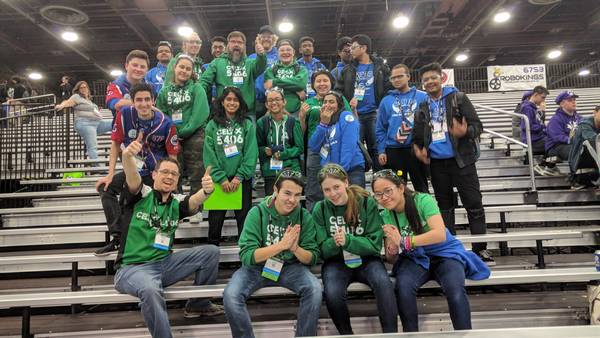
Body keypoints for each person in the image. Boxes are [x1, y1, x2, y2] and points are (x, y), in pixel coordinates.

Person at [114, 139, 223, 338]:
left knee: (211, 252)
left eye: (174, 174)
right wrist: (127, 156)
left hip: (163, 265)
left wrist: (206, 191)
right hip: (132, 269)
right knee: (150, 289)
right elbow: (132, 175)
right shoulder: (140, 194)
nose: (169, 176)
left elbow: (193, 202)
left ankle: (198, 304)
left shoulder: (176, 202)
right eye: (164, 172)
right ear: (154, 174)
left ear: (178, 180)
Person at [372, 169, 490, 332]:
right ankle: (410, 334)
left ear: (400, 188)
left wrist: (405, 241)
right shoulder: (385, 214)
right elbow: (392, 258)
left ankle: (464, 333)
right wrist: (391, 250)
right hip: (415, 258)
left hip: (445, 255)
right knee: (403, 288)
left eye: (388, 191)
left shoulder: (423, 200)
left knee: (454, 290)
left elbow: (439, 234)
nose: (384, 197)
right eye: (378, 194)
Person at [223, 169, 321, 338]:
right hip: (256, 268)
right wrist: (281, 245)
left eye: (297, 195)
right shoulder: (257, 213)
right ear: (275, 190)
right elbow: (247, 256)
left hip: (290, 267)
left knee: (315, 289)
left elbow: (312, 258)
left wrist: (295, 249)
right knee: (230, 295)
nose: (292, 200)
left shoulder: (304, 217)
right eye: (287, 193)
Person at [412, 62, 493, 264]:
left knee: (473, 205)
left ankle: (480, 249)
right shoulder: (422, 107)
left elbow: (478, 126)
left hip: (462, 162)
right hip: (438, 165)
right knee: (444, 208)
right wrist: (418, 149)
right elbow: (417, 136)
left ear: (442, 78)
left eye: (433, 78)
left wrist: (465, 132)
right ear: (422, 84)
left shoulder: (459, 98)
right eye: (426, 80)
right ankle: (448, 247)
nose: (430, 82)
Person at [95, 83, 180, 256]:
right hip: (133, 171)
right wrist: (110, 174)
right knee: (106, 188)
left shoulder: (166, 122)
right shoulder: (124, 115)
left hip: (154, 174)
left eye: (147, 99)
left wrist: (171, 181)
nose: (143, 104)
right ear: (132, 102)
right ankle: (118, 237)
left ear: (153, 100)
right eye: (139, 100)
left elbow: (172, 156)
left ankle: (161, 247)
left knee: (151, 204)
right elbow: (115, 144)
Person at [313, 164, 398, 334]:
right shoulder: (320, 209)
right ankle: (346, 335)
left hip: (367, 260)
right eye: (327, 190)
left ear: (346, 182)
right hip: (336, 262)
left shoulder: (366, 202)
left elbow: (374, 245)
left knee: (384, 284)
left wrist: (348, 241)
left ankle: (390, 334)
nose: (333, 193)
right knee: (332, 293)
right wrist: (335, 243)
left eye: (336, 187)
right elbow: (321, 250)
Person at [155, 54, 210, 223]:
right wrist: (172, 133)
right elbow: (161, 114)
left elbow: (200, 113)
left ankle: (195, 209)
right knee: (173, 173)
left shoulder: (197, 88)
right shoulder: (164, 91)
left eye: (188, 68)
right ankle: (175, 208)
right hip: (172, 137)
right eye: (182, 67)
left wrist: (184, 131)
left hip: (194, 135)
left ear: (192, 71)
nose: (184, 71)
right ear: (174, 68)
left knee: (196, 173)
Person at [203, 87, 258, 246]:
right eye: (228, 99)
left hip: (241, 181)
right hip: (219, 182)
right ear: (222, 102)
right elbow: (209, 154)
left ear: (240, 103)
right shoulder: (212, 125)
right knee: (215, 224)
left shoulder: (247, 124)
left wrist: (239, 177)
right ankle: (212, 258)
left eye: (235, 100)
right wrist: (220, 178)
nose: (232, 103)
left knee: (244, 223)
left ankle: (244, 261)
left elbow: (251, 152)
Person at [336, 34, 390, 172]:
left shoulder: (380, 67)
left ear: (364, 48)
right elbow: (338, 92)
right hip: (355, 115)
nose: (350, 51)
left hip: (375, 113)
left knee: (377, 148)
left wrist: (382, 107)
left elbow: (388, 88)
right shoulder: (347, 69)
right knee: (355, 147)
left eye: (353, 47)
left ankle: (381, 179)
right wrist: (347, 106)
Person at [299, 70, 351, 211]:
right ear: (313, 85)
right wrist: (302, 117)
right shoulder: (308, 103)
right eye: (318, 81)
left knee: (336, 184)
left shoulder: (340, 99)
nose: (322, 84)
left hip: (335, 147)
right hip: (315, 149)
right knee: (314, 187)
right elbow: (302, 131)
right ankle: (314, 221)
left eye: (325, 80)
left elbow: (349, 122)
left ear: (331, 83)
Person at [376, 63, 429, 192]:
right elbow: (380, 128)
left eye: (400, 76)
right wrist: (382, 150)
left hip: (416, 149)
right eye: (393, 78)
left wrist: (426, 147)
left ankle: (423, 212)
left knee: (421, 187)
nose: (396, 80)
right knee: (397, 188)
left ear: (408, 77)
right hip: (394, 151)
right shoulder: (386, 100)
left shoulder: (422, 97)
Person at [201, 31, 266, 121]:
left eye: (240, 42)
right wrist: (196, 93)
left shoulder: (250, 63)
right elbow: (204, 81)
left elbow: (261, 66)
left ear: (244, 46)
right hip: (223, 114)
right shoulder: (217, 62)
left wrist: (261, 55)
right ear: (228, 45)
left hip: (247, 114)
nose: (236, 44)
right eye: (233, 41)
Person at [308, 90, 365, 187]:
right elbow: (313, 146)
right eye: (325, 102)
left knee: (355, 202)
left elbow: (348, 146)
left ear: (339, 104)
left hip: (350, 170)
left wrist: (340, 172)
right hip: (330, 174)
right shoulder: (324, 122)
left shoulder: (346, 116)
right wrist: (323, 124)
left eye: (331, 102)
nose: (327, 105)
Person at [257, 87, 303, 196]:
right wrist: (264, 150)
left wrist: (283, 154)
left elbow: (299, 148)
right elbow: (257, 147)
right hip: (270, 171)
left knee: (292, 204)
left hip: (291, 169)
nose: (274, 102)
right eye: (270, 100)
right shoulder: (261, 123)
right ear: (266, 105)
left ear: (284, 102)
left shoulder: (293, 122)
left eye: (277, 99)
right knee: (271, 204)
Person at [55, 81, 112, 163]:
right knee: (92, 146)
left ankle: (123, 144)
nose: (83, 89)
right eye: (81, 87)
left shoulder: (89, 100)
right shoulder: (76, 97)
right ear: (78, 89)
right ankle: (96, 166)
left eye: (85, 87)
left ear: (88, 89)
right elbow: (68, 102)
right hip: (85, 123)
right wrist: (61, 105)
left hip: (97, 123)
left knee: (115, 123)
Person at [518, 86, 560, 176]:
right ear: (536, 95)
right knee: (556, 144)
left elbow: (538, 123)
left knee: (556, 139)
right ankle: (547, 166)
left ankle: (545, 165)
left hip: (539, 138)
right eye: (543, 97)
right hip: (533, 140)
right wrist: (542, 127)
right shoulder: (527, 107)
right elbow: (526, 126)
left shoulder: (533, 108)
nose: (543, 100)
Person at [264, 39, 308, 118]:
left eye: (288, 50)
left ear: (293, 52)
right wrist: (295, 88)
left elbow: (300, 83)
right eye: (282, 50)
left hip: (296, 112)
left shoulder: (302, 69)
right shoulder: (270, 70)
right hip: (275, 113)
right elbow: (270, 88)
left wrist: (274, 82)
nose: (285, 52)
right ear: (278, 53)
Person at [106, 50, 150, 119]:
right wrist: (147, 105)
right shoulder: (116, 85)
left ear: (147, 70)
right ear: (126, 66)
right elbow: (116, 104)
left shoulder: (150, 87)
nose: (138, 69)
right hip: (123, 127)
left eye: (142, 67)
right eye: (135, 65)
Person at [248, 25, 279, 120]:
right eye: (263, 37)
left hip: (274, 100)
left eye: (269, 37)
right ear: (259, 39)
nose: (266, 39)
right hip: (255, 101)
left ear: (273, 39)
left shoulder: (279, 56)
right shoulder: (251, 57)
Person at [568, 106, 600, 190]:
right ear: (595, 112)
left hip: (592, 168)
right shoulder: (584, 125)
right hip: (579, 165)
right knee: (593, 143)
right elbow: (594, 140)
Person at [546, 90, 582, 162]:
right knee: (579, 151)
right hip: (556, 147)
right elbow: (557, 138)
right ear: (562, 104)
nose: (573, 102)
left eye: (574, 100)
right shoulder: (555, 120)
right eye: (569, 100)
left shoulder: (579, 117)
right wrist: (573, 140)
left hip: (571, 145)